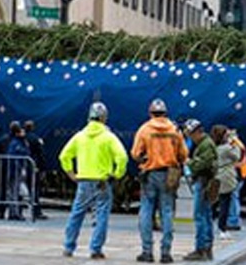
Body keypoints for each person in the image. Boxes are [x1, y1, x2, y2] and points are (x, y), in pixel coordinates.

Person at [60, 102, 128, 260]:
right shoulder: (109, 137)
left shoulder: (79, 136)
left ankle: (68, 247)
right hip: (102, 181)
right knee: (101, 215)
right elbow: (122, 157)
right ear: (104, 118)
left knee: (76, 213)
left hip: (83, 181)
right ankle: (95, 249)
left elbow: (64, 156)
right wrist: (117, 173)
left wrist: (71, 173)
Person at [131, 98, 188, 263]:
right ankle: (166, 253)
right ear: (165, 113)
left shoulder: (145, 129)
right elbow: (184, 154)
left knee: (146, 211)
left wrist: (144, 158)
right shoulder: (174, 130)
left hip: (149, 174)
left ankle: (147, 252)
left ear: (150, 113)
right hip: (169, 175)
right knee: (167, 211)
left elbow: (135, 153)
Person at [182, 120, 216, 262]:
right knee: (206, 215)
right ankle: (207, 248)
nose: (190, 138)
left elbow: (203, 164)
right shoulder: (204, 143)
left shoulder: (205, 145)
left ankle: (201, 248)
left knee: (200, 216)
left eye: (190, 135)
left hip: (203, 182)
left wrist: (189, 162)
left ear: (197, 132)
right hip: (205, 182)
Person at [213, 126, 245, 237]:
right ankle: (223, 228)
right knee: (225, 203)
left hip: (217, 176)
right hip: (227, 178)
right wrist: (234, 141)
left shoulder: (214, 147)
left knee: (215, 203)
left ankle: (214, 224)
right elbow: (238, 155)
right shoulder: (226, 148)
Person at [5, 121, 31, 221]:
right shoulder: (15, 143)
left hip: (18, 170)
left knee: (18, 192)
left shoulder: (21, 142)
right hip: (15, 170)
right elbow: (14, 156)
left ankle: (16, 212)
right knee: (15, 192)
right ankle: (14, 212)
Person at [24, 120, 49, 220]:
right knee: (35, 189)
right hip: (34, 165)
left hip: (23, 165)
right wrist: (43, 168)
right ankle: (36, 211)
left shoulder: (22, 138)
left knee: (28, 188)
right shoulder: (35, 139)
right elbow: (40, 153)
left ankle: (18, 210)